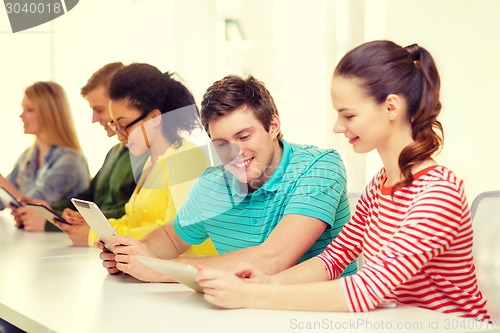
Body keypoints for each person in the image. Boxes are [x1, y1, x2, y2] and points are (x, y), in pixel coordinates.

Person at [195, 40, 491, 321]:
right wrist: (268, 283)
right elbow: (332, 259)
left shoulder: (438, 193)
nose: (338, 127)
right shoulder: (380, 186)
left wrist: (252, 295)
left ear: (391, 107)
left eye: (348, 115)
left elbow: (367, 290)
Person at [98, 75, 357, 282]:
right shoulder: (212, 183)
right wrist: (132, 257)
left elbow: (273, 259)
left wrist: (157, 269)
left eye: (244, 137)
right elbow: (171, 237)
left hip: (318, 315)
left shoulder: (320, 167)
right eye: (221, 144)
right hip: (242, 311)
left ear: (273, 126)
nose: (235, 153)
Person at [53, 63, 216, 257]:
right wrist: (93, 225)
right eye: (114, 125)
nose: (120, 135)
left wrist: (94, 235)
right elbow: (134, 222)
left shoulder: (186, 158)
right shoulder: (152, 161)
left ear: (155, 118)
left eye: (123, 125)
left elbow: (178, 236)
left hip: (184, 275)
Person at [11, 62, 139, 234]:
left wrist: (51, 220)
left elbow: (131, 214)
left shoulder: (148, 156)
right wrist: (48, 211)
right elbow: (90, 199)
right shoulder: (115, 152)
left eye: (99, 109)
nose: (94, 119)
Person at [0, 81, 89, 231]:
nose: (21, 116)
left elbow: (34, 208)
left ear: (49, 114)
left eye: (29, 110)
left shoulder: (70, 161)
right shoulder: (28, 156)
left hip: (62, 247)